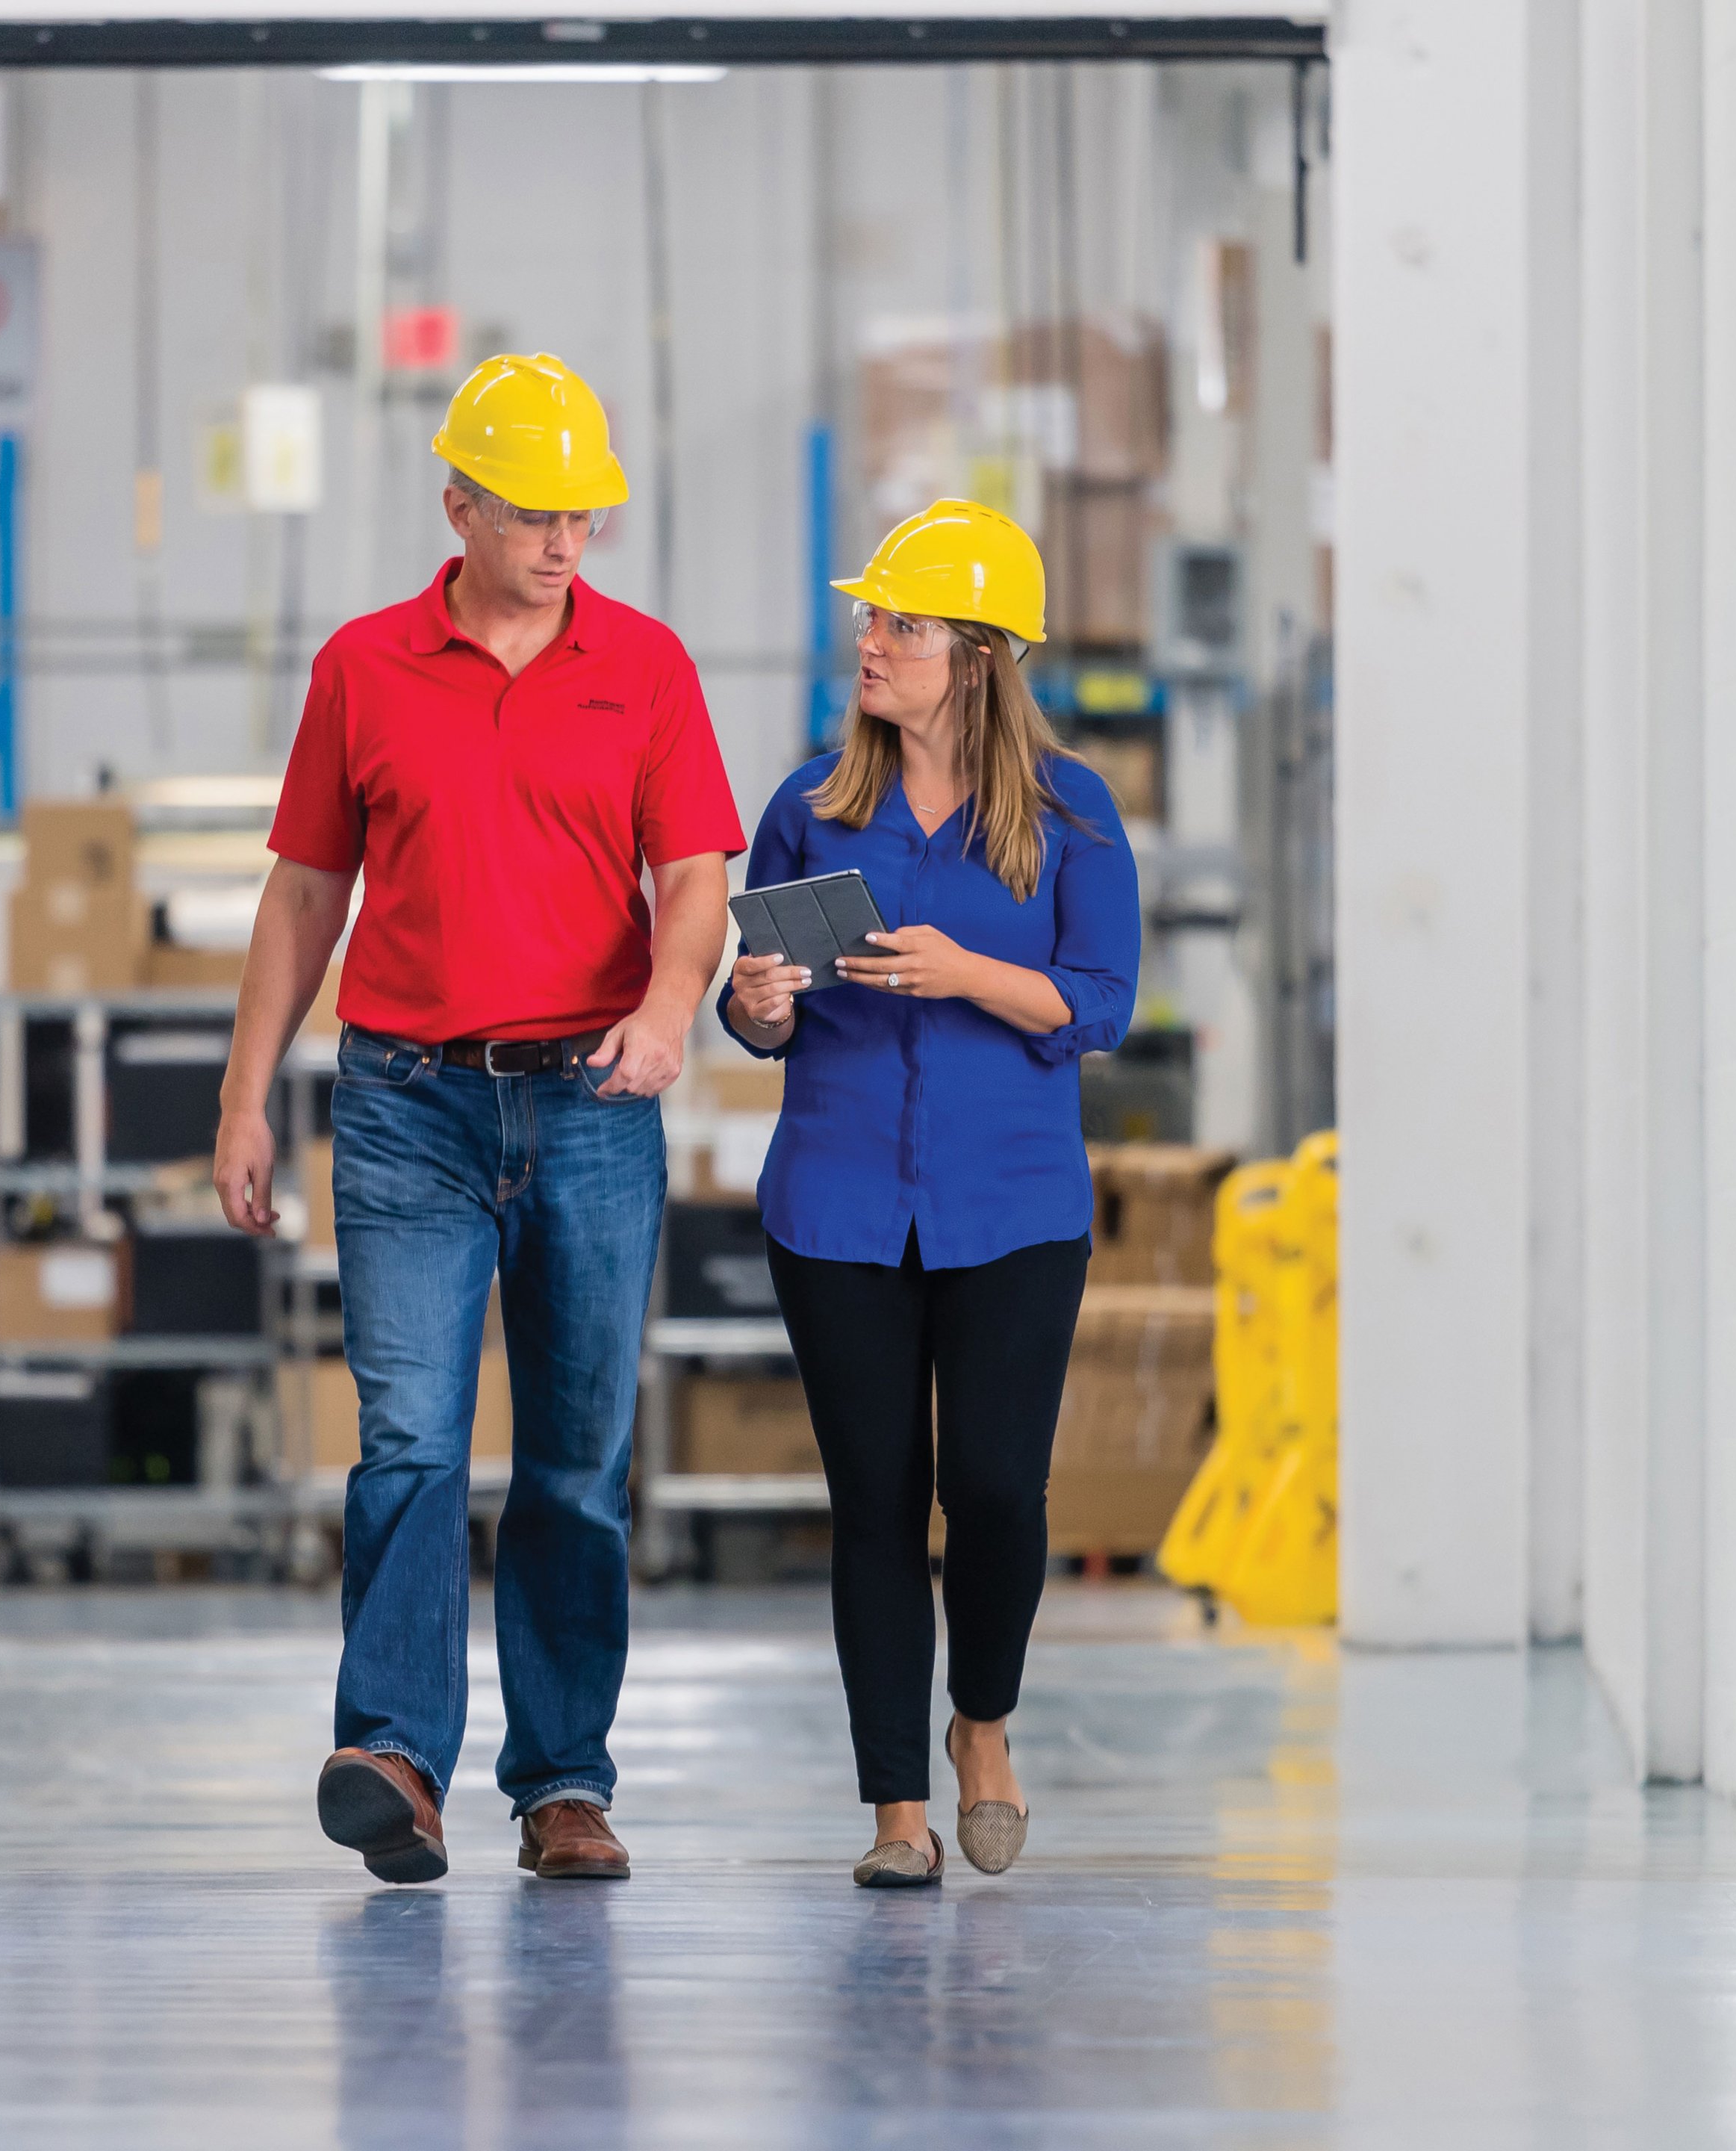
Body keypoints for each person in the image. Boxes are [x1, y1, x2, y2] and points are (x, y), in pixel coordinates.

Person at [216, 353, 742, 1887]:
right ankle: (392, 1756)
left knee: (576, 1462)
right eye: (531, 514)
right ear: (457, 505)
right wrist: (246, 1096)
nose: (564, 541)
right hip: (404, 1109)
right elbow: (305, 890)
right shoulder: (364, 668)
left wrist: (665, 1006)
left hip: (590, 1105)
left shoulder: (644, 667)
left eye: (582, 513)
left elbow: (694, 873)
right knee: (409, 1446)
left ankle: (562, 1782)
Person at [718, 500, 1137, 1888]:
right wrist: (760, 1003)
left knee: (1000, 1493)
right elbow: (755, 1012)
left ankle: (984, 1729)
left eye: (900, 622)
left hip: (1012, 1205)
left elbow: (1101, 1004)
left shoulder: (1073, 815)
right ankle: (898, 1807)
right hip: (837, 1203)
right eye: (871, 619)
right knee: (877, 1504)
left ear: (977, 655)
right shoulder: (809, 808)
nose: (870, 642)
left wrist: (966, 973)